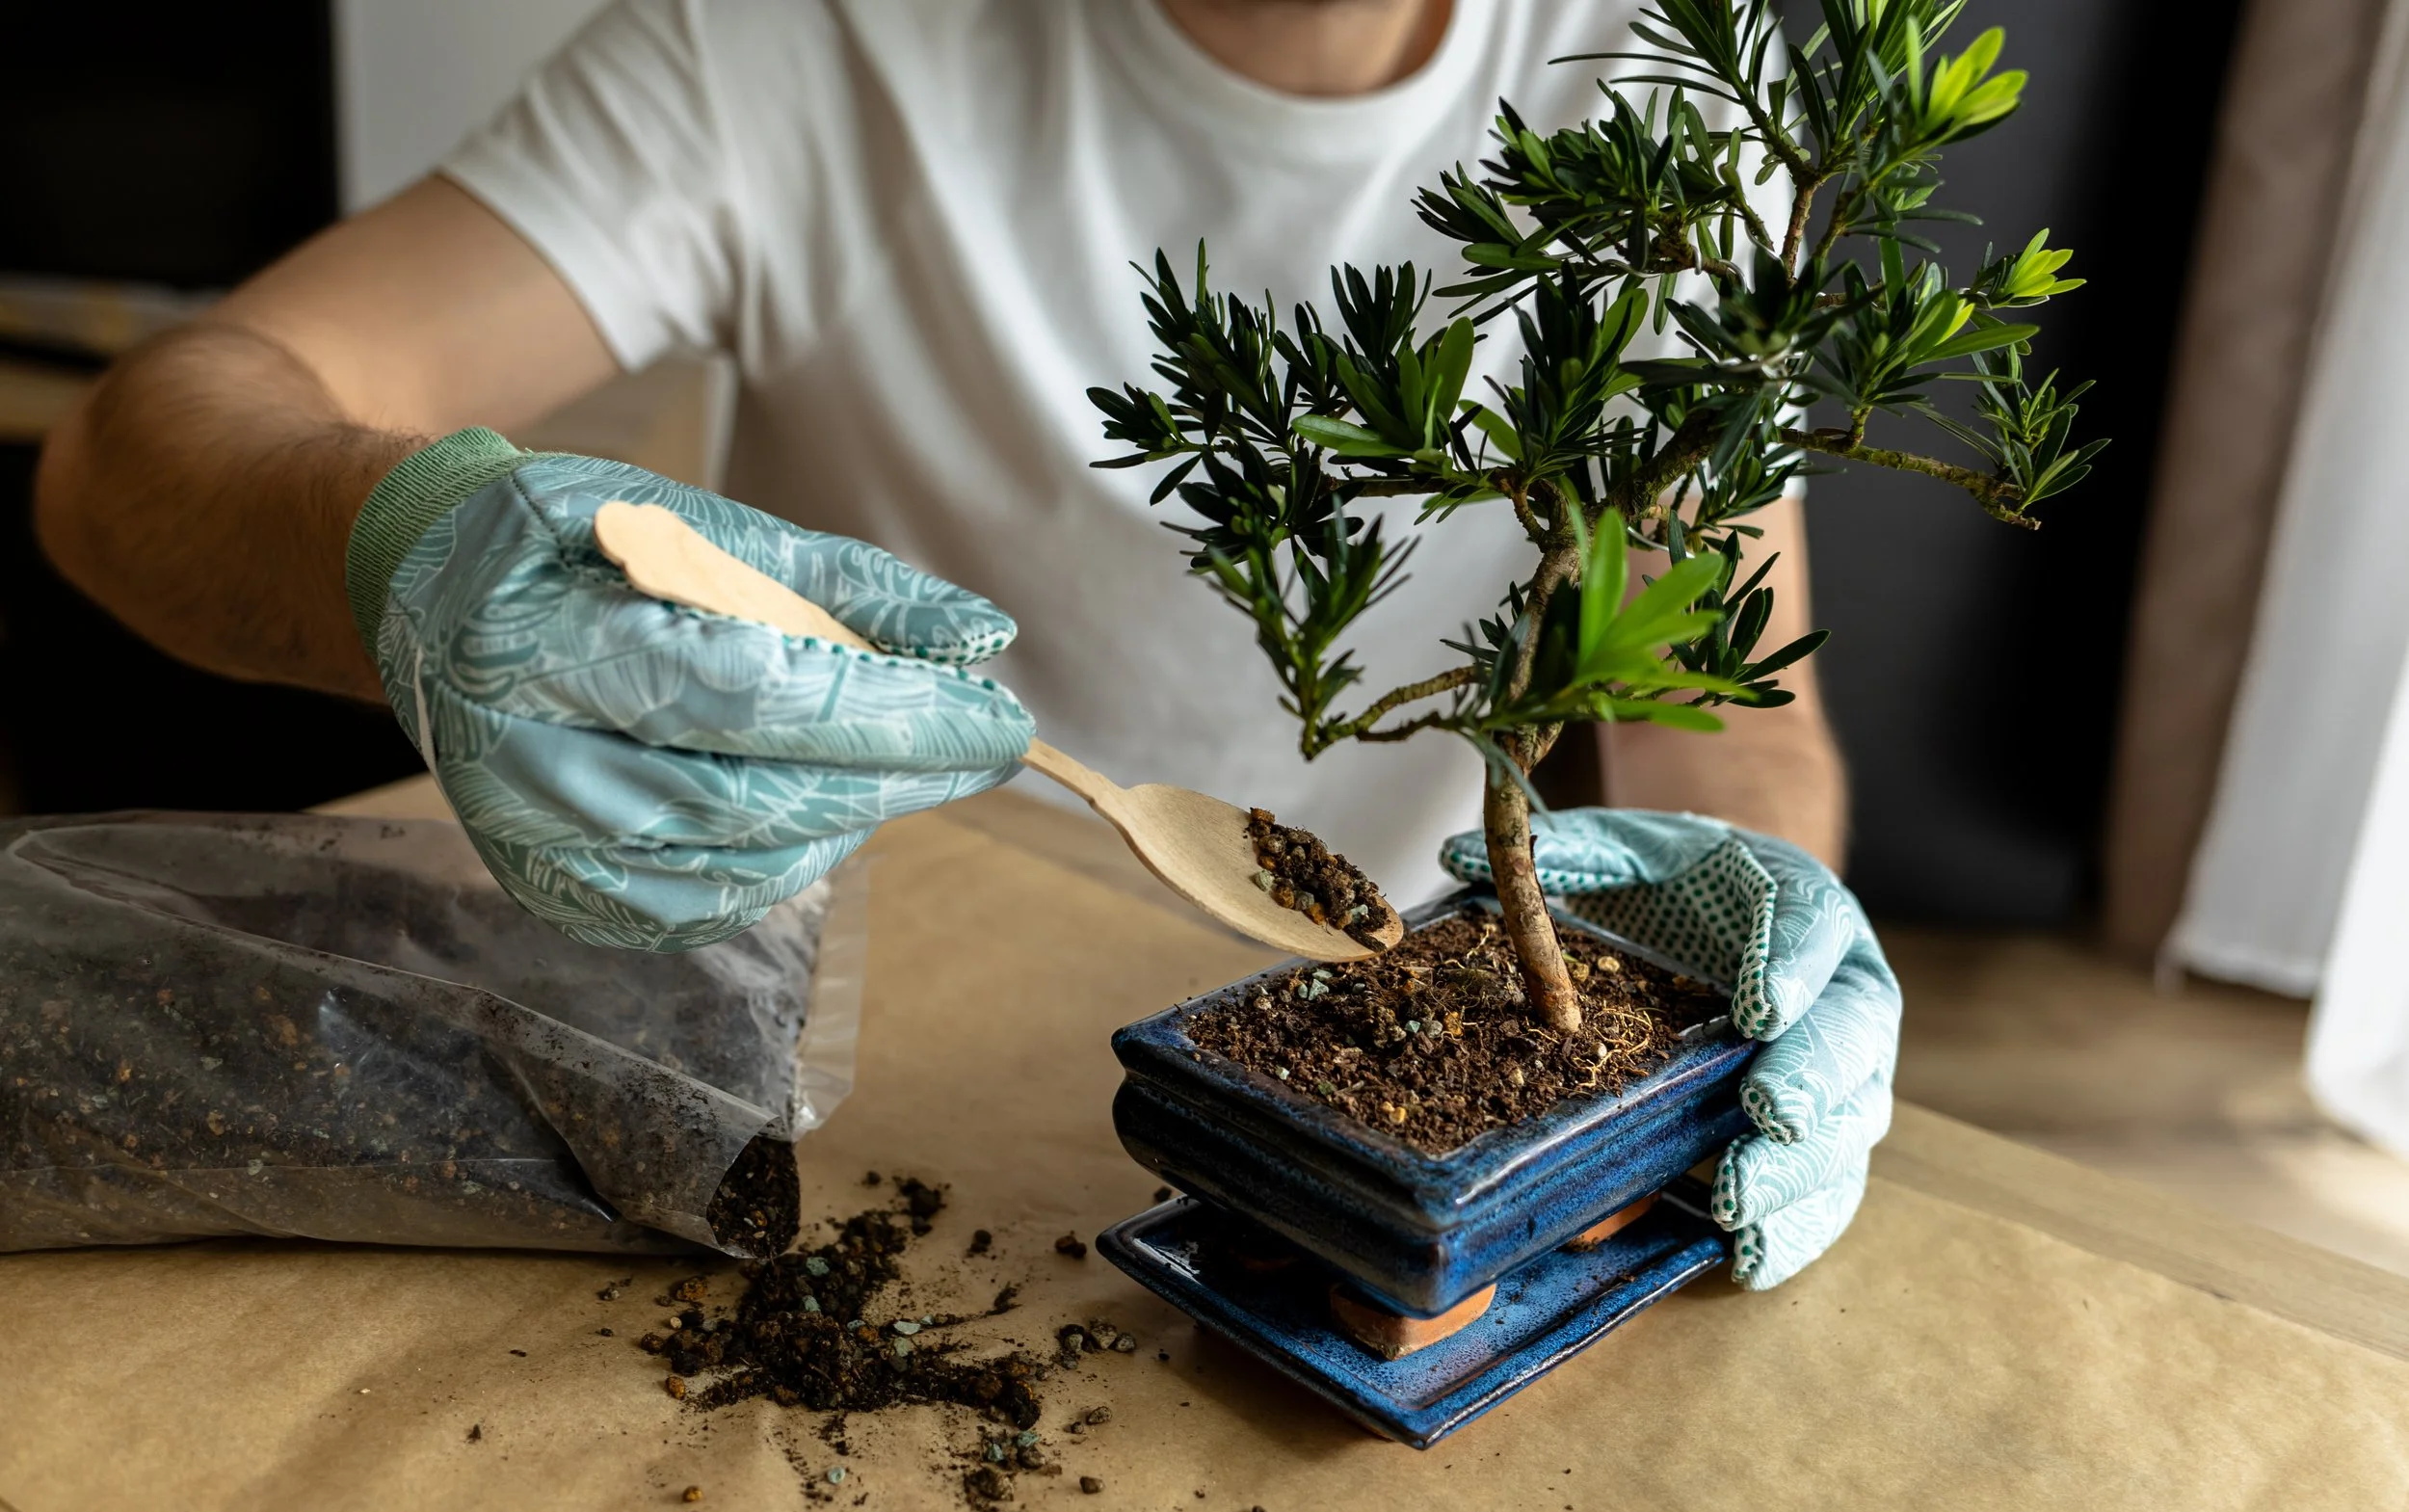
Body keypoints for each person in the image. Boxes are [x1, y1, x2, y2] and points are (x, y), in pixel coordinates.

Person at [34, 0, 1889, 1287]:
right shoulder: (794, 48)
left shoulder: (1674, 104)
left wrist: (1745, 971)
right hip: (806, 1067)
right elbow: (132, 456)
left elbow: (1730, 727)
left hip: (1355, 1059)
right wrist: (410, 551)